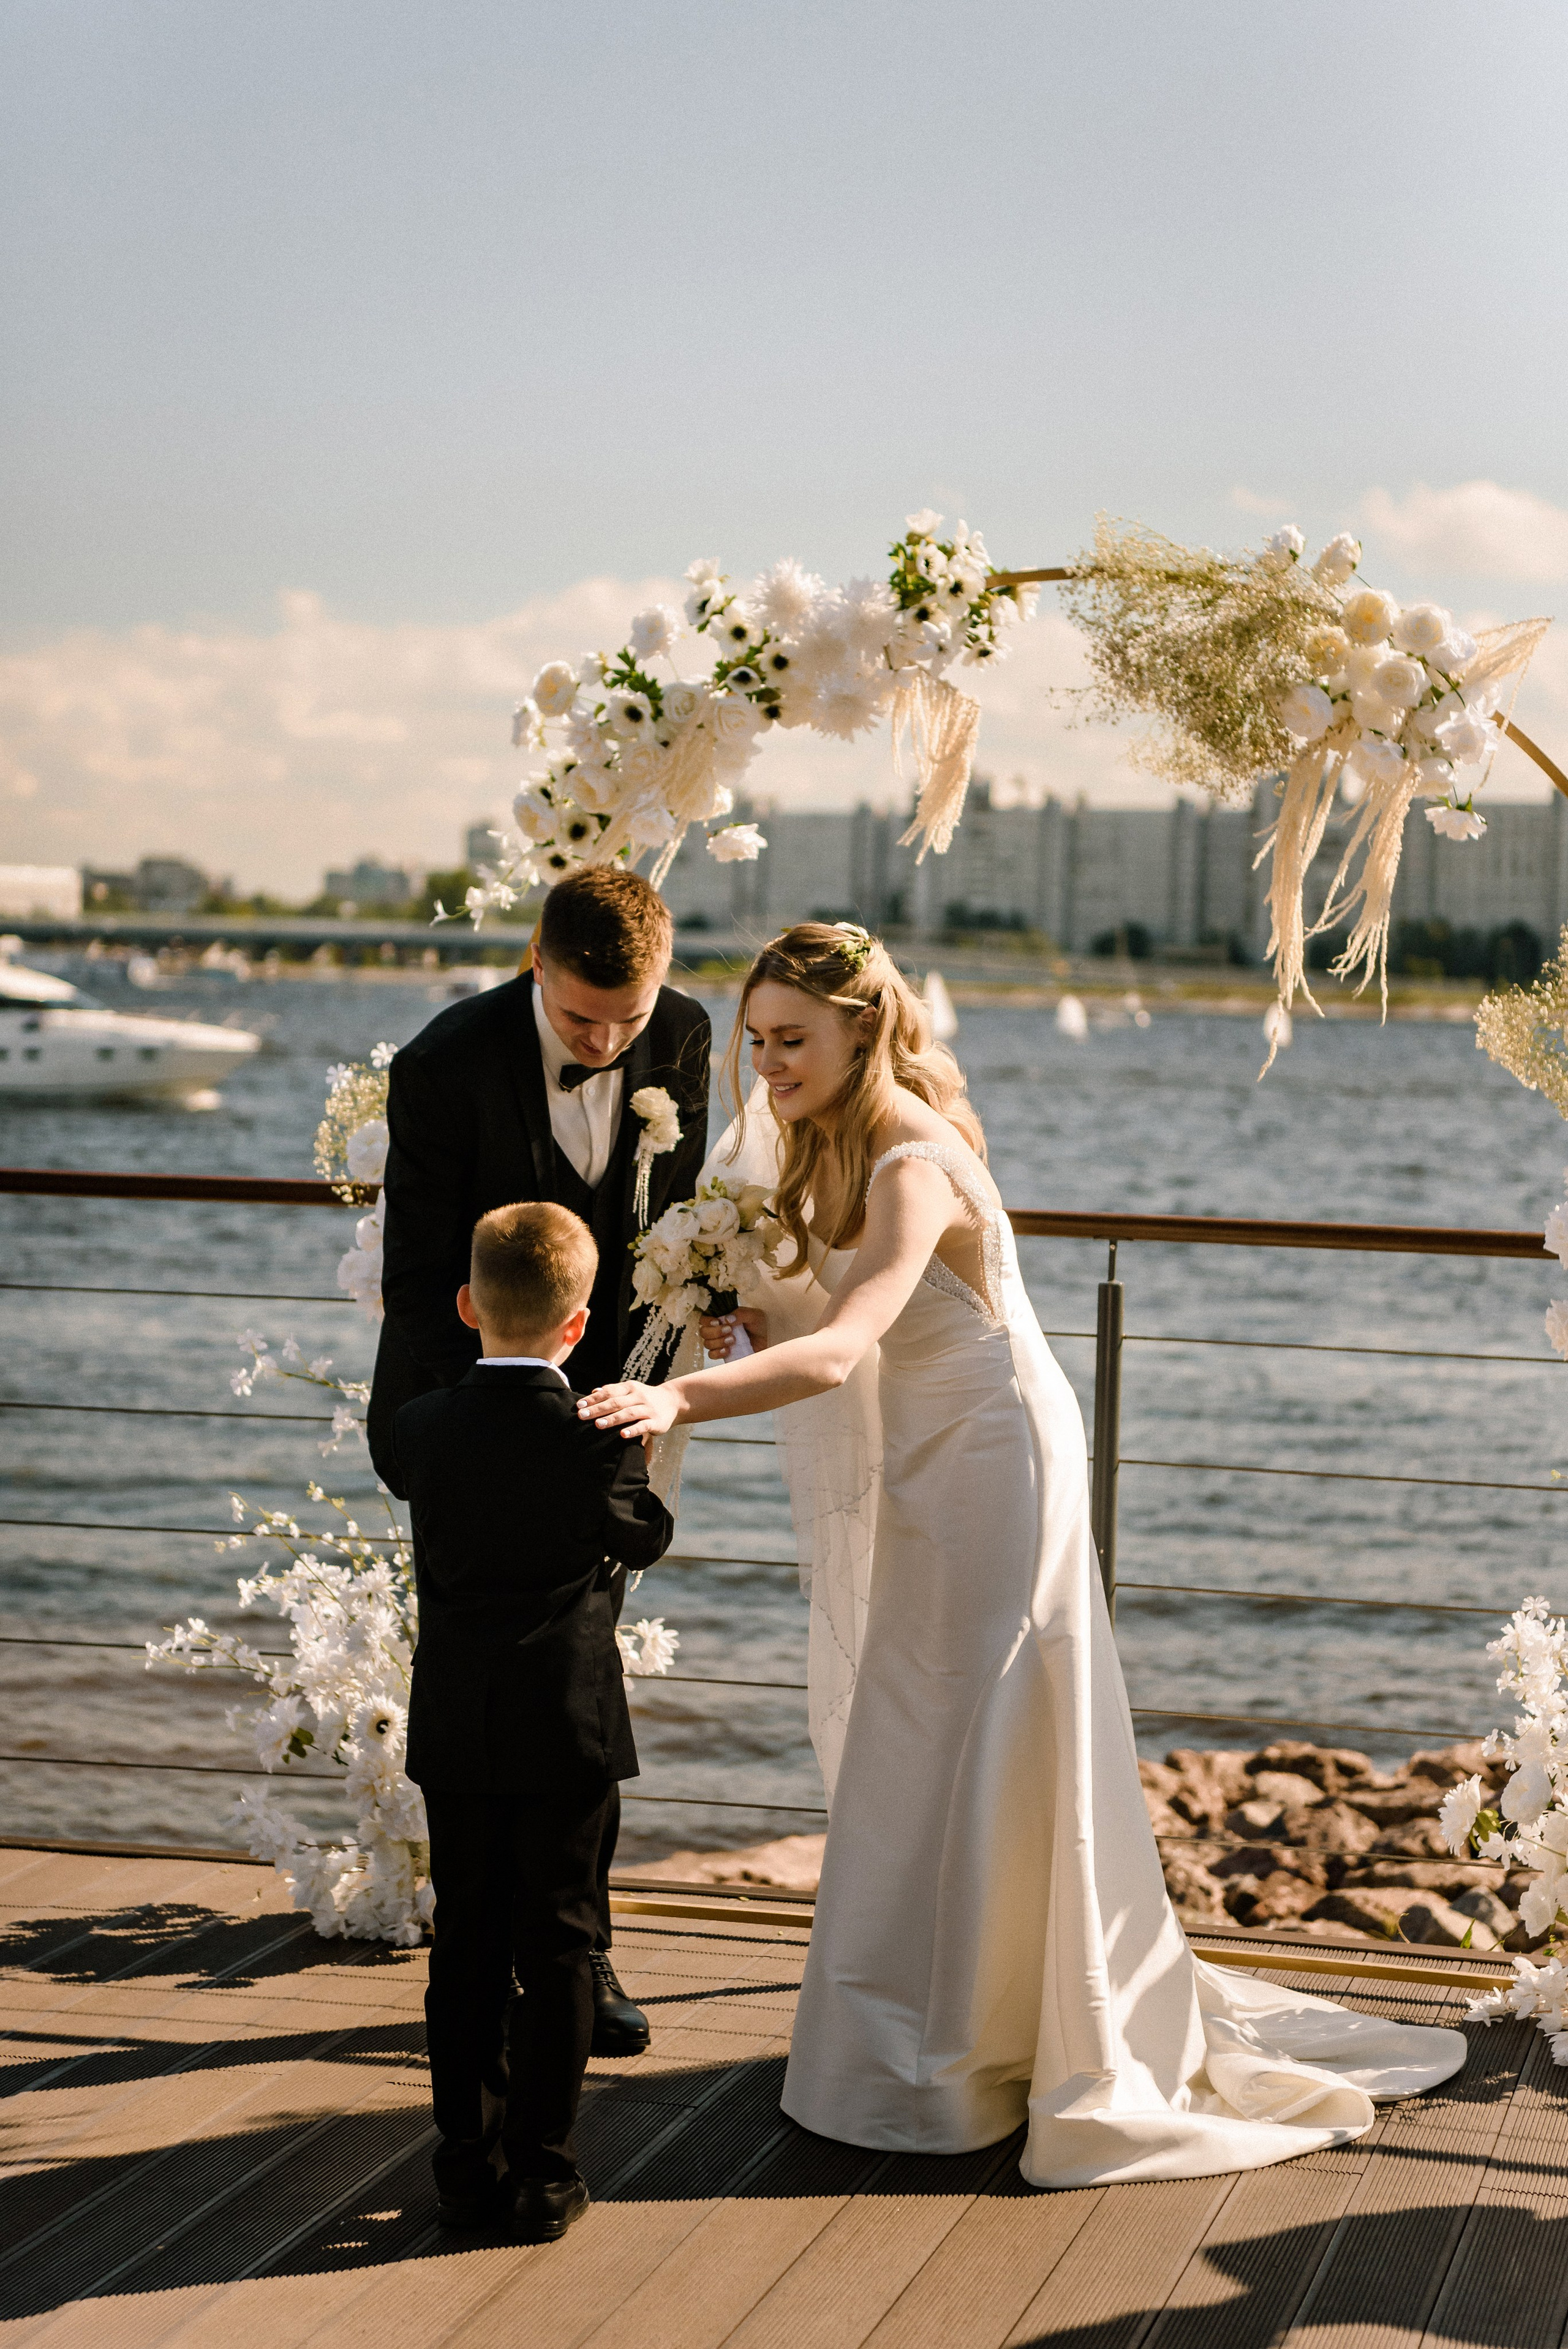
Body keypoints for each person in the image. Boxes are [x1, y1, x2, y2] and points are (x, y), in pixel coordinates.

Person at [579, 922, 1466, 2190]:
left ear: (859, 1032)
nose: (767, 1063)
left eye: (793, 1039)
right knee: (916, 1719)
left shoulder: (909, 1159)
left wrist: (675, 1403)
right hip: (923, 1445)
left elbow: (842, 1349)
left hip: (994, 1450)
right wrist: (730, 1308)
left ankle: (976, 2046)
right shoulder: (810, 1139)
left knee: (970, 1725)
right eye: (758, 1038)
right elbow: (812, 1323)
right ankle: (933, 2037)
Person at [371, 865, 709, 2056]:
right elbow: (415, 1282)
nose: (611, 1040)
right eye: (581, 1019)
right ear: (534, 962)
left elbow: (672, 1233)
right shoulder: (441, 1063)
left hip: (608, 1424)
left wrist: (652, 1378)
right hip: (459, 1422)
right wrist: (502, 1415)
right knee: (483, 1677)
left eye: (628, 1016)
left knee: (582, 1685)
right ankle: (490, 1939)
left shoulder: (682, 1033)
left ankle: (570, 1942)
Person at [383, 1201, 673, 2238]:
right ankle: (547, 2174)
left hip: (458, 1718)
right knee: (557, 1945)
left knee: (464, 1938)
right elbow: (643, 1541)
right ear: (578, 1324)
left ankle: (466, 2160)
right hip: (567, 1721)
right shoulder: (597, 1435)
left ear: (468, 1305)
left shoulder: (419, 1427)